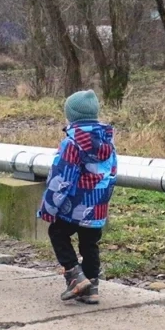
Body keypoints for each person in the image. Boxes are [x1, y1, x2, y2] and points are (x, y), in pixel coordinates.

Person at [38, 89, 118, 304]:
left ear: (71, 116)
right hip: (98, 204)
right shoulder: (108, 142)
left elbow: (61, 178)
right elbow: (112, 173)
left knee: (57, 233)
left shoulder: (72, 143)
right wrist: (103, 200)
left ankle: (74, 276)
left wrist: (49, 207)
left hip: (74, 205)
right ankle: (92, 288)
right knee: (90, 243)